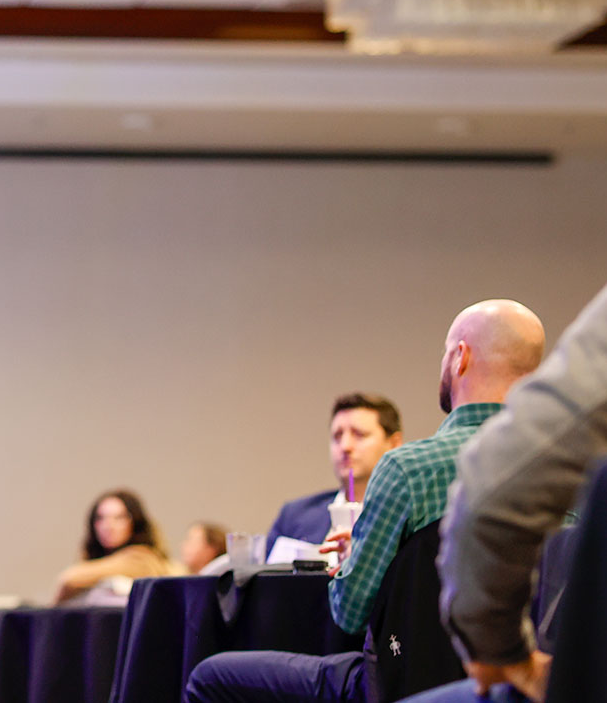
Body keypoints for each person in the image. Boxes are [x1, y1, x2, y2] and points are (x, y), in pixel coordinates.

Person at [184, 299, 546, 703]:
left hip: (402, 684)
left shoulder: (409, 468)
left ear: (460, 357)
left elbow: (350, 613)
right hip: (535, 685)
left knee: (209, 676)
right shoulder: (566, 470)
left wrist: (358, 560)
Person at [400, 242, 607, 703]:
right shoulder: (586, 485)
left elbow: (493, 496)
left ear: (459, 357)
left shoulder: (404, 468)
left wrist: (504, 653)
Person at [265, 393, 404, 563]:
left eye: (359, 434)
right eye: (337, 436)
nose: (345, 446)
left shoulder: (410, 516)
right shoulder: (294, 515)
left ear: (394, 444)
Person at [54, 488, 171, 603]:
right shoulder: (93, 560)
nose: (108, 526)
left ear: (135, 522)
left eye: (119, 518)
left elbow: (69, 578)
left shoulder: (142, 559)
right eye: (100, 518)